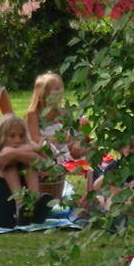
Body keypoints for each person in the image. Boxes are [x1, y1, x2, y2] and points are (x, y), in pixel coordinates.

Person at [0, 114, 53, 228]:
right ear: (1, 136)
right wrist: (26, 150)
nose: (18, 140)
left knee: (28, 162)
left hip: (25, 213)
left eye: (21, 136)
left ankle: (35, 201)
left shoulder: (26, 152)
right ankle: (20, 203)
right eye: (12, 136)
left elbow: (45, 163)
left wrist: (14, 153)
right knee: (8, 164)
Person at [25, 72, 85, 201]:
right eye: (57, 89)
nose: (61, 92)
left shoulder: (61, 111)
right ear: (44, 93)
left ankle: (72, 156)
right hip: (46, 150)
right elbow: (35, 139)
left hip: (64, 147)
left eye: (61, 88)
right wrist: (60, 138)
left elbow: (74, 132)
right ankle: (61, 161)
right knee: (44, 145)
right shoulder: (33, 114)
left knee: (83, 127)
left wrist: (75, 142)